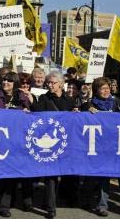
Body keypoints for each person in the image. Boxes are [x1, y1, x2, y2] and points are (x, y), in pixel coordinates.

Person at [0, 72, 30, 218]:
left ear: (15, 84)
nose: (6, 82)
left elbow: (29, 117)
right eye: (4, 80)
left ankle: (4, 206)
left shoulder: (22, 98)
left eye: (9, 80)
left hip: (14, 142)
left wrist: (27, 111)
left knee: (10, 176)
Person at [31, 71, 76, 219]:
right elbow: (36, 113)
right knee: (51, 175)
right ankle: (51, 207)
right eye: (48, 82)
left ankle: (51, 200)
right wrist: (32, 102)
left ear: (61, 84)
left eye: (53, 83)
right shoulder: (44, 98)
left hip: (64, 142)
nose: (49, 85)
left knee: (59, 174)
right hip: (48, 142)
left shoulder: (69, 100)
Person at [81, 77, 120, 217]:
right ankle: (85, 198)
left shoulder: (116, 102)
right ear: (96, 90)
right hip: (94, 145)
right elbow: (81, 116)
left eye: (107, 87)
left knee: (105, 175)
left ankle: (102, 205)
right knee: (91, 175)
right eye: (102, 88)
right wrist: (87, 109)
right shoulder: (91, 104)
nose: (106, 91)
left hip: (110, 144)